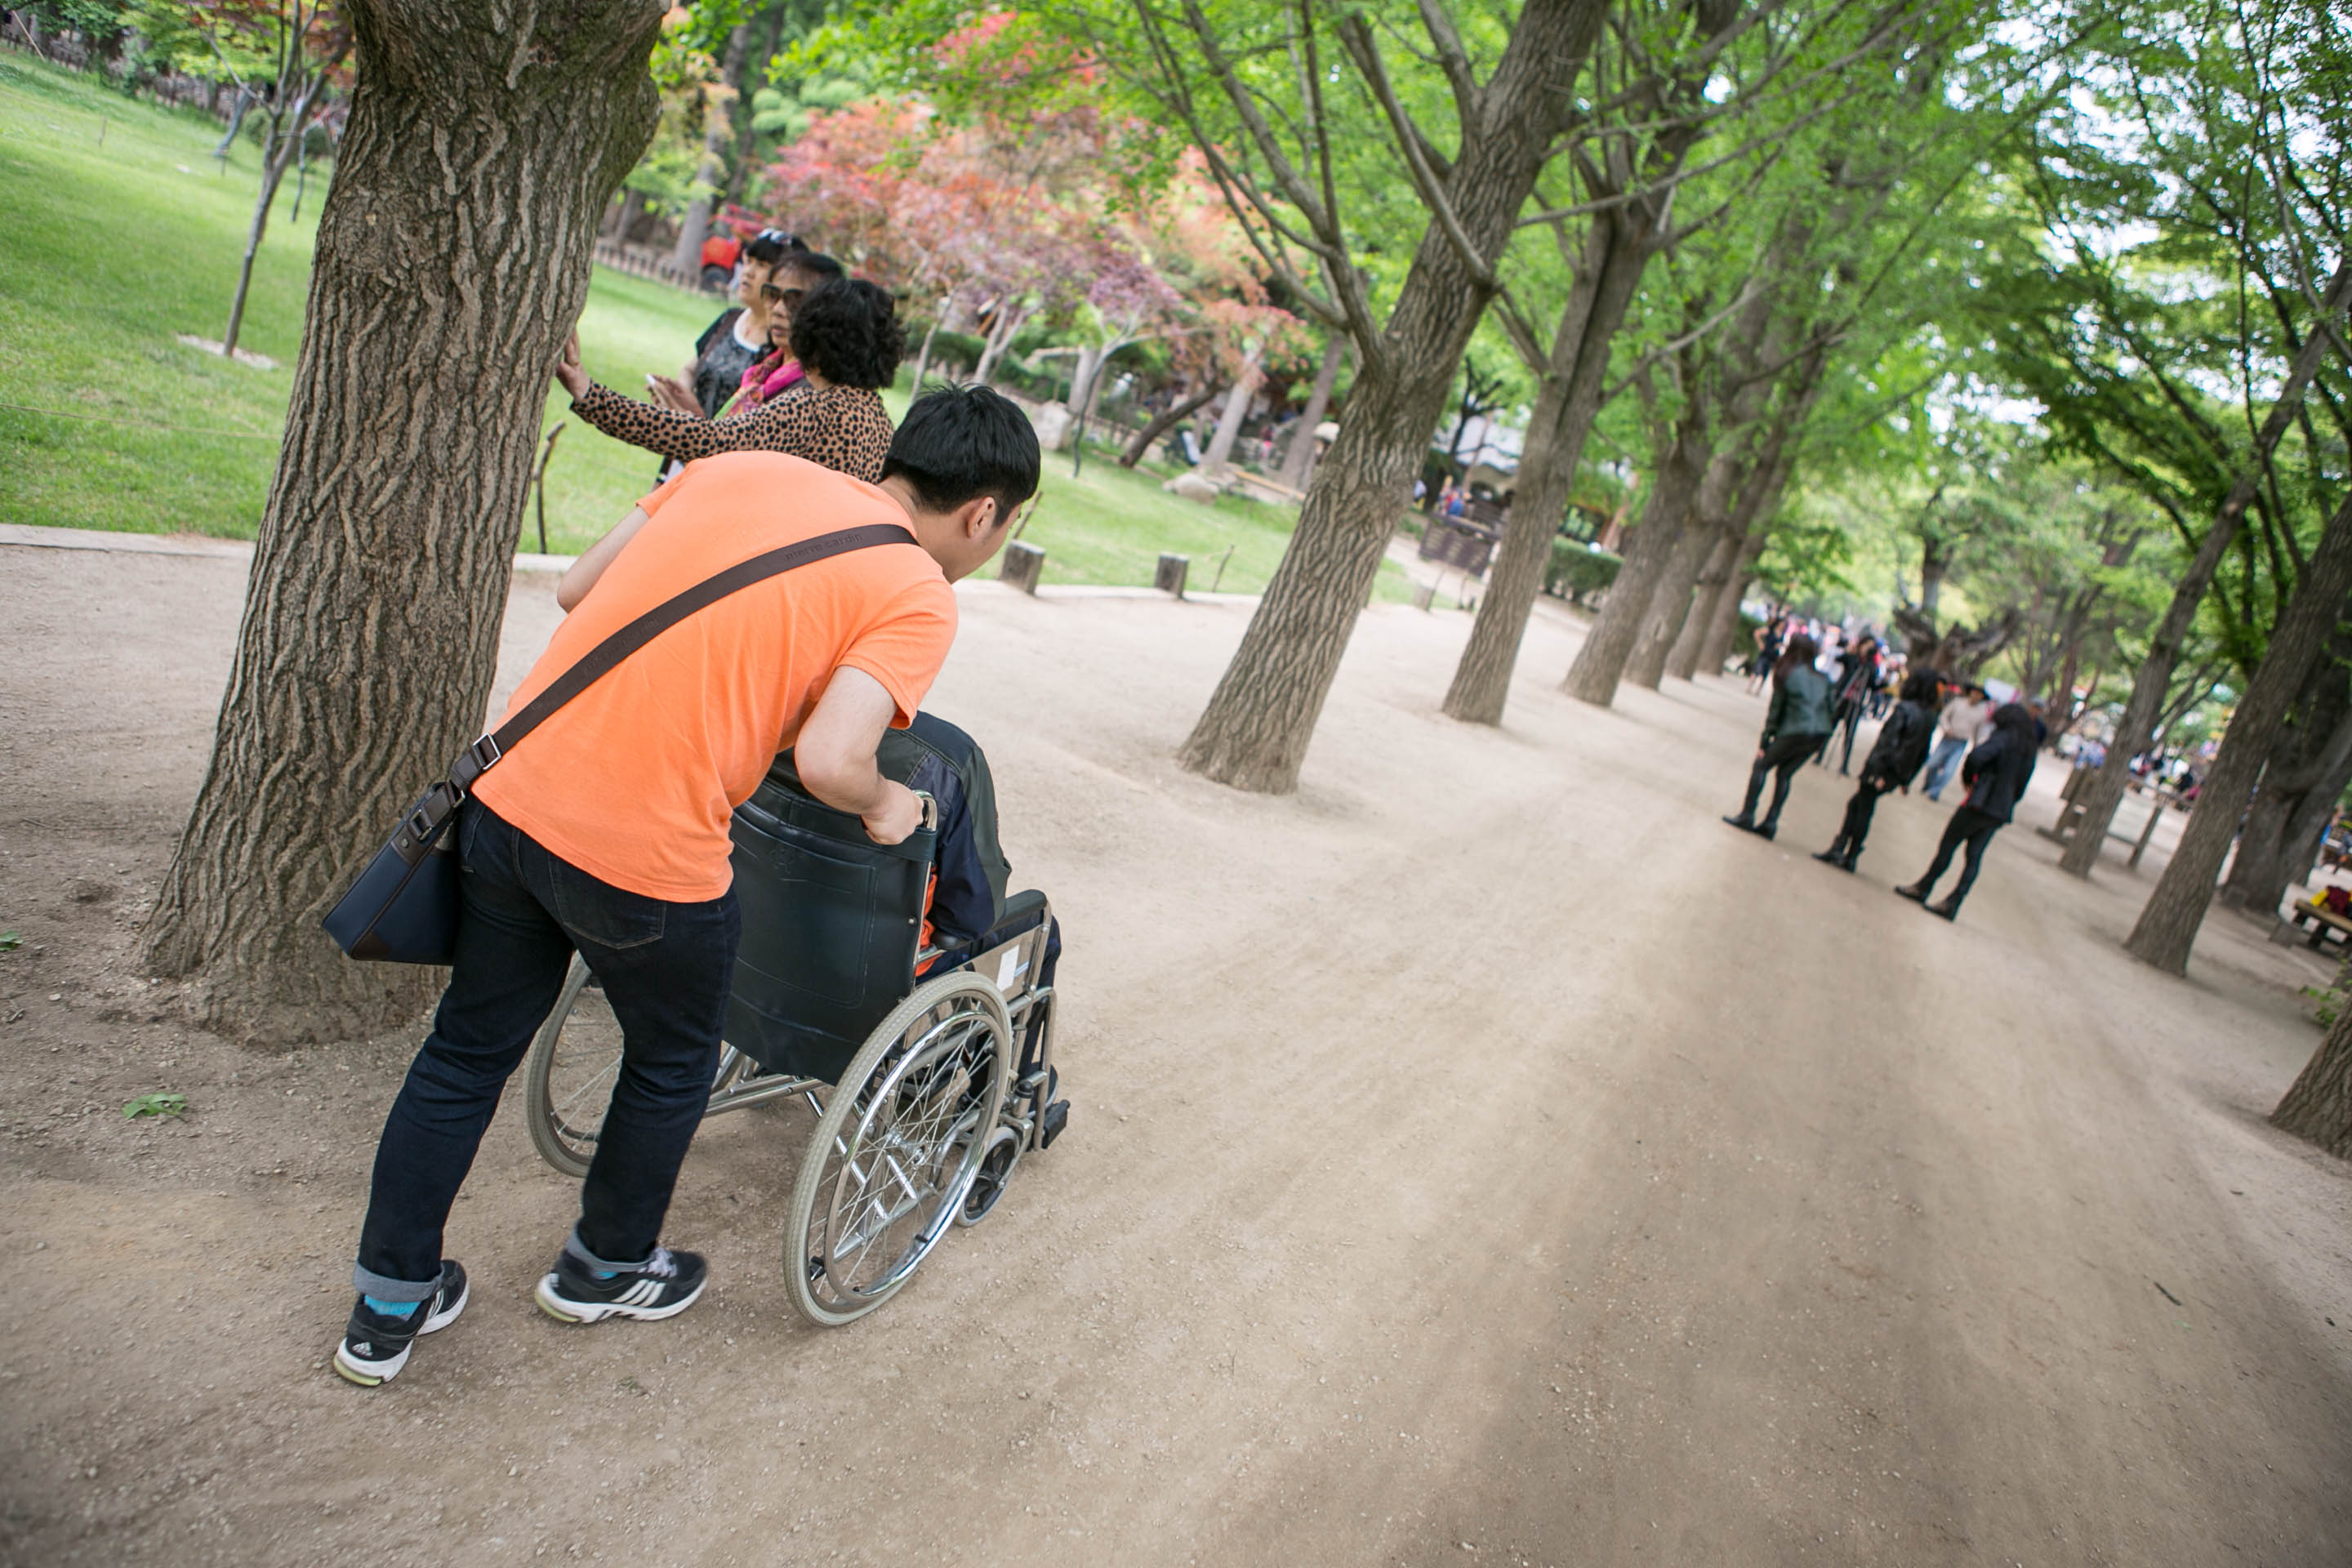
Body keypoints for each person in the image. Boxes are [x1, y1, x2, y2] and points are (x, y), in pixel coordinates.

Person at [332, 385, 1043, 1388]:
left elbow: (581, 589)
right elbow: (838, 758)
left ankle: (388, 1307)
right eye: (1004, 529)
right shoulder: (917, 591)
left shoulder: (733, 468)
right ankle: (603, 1267)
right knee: (671, 1060)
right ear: (985, 513)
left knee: (463, 1054)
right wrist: (889, 807)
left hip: (511, 797)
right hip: (646, 861)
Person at [558, 265, 899, 481]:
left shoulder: (812, 408)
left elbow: (706, 441)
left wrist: (591, 395)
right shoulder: (882, 423)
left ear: (813, 333)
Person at [1895, 702, 2039, 920]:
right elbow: (2022, 784)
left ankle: (1924, 887)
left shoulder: (2003, 738)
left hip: (1980, 803)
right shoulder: (2029, 747)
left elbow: (1976, 757)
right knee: (1974, 857)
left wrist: (1969, 781)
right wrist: (2008, 800)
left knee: (1948, 844)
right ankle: (1953, 903)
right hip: (1999, 810)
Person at [1813, 668, 1940, 872]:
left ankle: (1847, 853)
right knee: (1858, 805)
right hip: (1895, 773)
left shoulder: (1905, 710)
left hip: (1882, 769)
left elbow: (1887, 744)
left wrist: (1878, 772)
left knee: (1863, 807)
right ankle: (1844, 850)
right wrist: (1905, 779)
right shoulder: (1930, 717)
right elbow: (1921, 755)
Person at [1722, 633, 1834, 842]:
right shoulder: (1823, 679)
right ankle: (1770, 823)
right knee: (1785, 774)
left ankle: (1747, 815)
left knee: (1762, 765)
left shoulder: (1786, 672)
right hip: (1818, 734)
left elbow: (1775, 711)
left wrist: (1765, 741)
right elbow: (1831, 710)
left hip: (1796, 730)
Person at [1819, 633, 1882, 773]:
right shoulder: (1853, 658)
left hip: (1855, 703)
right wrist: (1852, 650)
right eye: (1867, 645)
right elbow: (1839, 658)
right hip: (1843, 698)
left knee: (1849, 735)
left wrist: (1883, 683)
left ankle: (1844, 765)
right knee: (1829, 728)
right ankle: (1819, 755)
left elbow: (1873, 685)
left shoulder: (1871, 666)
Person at [1920, 681, 1994, 801]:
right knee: (1932, 764)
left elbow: (1978, 732)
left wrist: (1975, 748)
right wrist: (1947, 728)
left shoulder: (1981, 714)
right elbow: (1944, 716)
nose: (1976, 696)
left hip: (1960, 744)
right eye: (1975, 693)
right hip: (1947, 739)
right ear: (1970, 692)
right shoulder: (1957, 703)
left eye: (1979, 694)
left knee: (1948, 771)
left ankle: (1934, 791)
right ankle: (1929, 784)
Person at [1747, 613, 1787, 696]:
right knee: (1757, 670)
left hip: (1773, 655)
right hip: (1765, 653)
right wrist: (1760, 644)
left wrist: (1780, 646)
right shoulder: (1770, 629)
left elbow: (1781, 644)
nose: (1783, 626)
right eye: (1782, 624)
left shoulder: (1782, 634)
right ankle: (1749, 687)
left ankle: (1758, 690)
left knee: (1765, 672)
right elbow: (1757, 633)